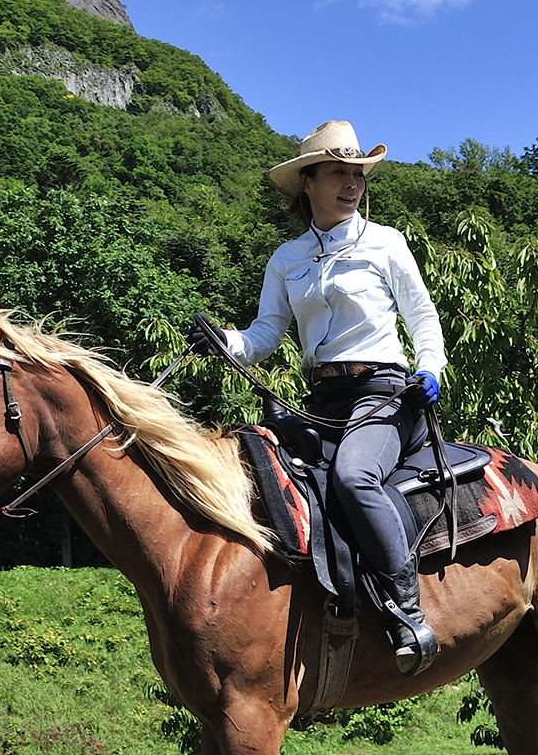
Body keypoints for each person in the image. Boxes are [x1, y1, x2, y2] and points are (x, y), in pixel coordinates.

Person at [189, 121, 446, 675]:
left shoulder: (387, 243)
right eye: (339, 173)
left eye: (357, 174)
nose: (352, 183)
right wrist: (223, 341)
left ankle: (407, 610)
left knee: (355, 476)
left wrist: (431, 365)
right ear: (308, 183)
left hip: (385, 393)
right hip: (322, 400)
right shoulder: (286, 259)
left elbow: (422, 318)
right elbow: (262, 338)